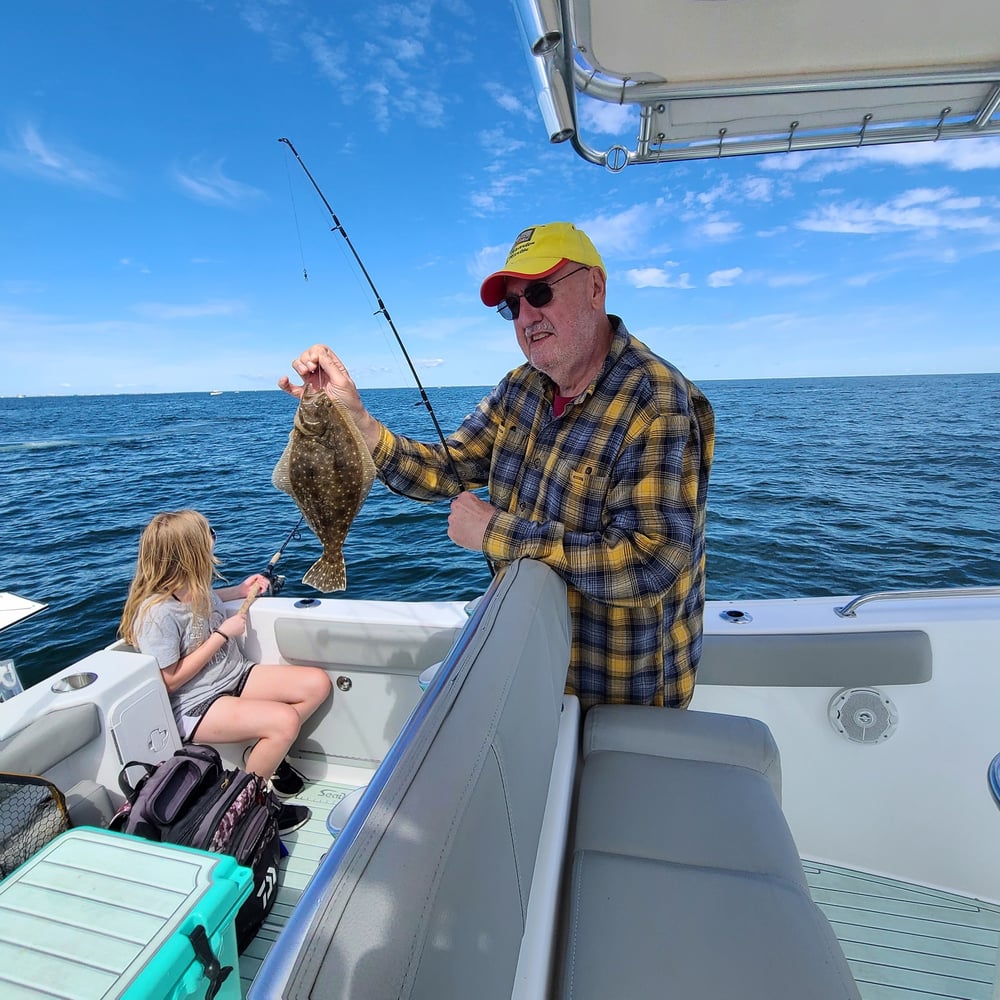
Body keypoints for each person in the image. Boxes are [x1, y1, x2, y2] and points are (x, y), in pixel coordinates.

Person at [280, 222, 715, 711]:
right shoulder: (520, 388)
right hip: (534, 661)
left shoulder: (655, 401)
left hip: (618, 693)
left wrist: (496, 532)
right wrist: (360, 423)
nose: (527, 316)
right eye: (514, 306)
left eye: (541, 292)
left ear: (596, 288)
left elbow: (650, 562)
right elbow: (449, 466)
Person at [119, 510, 332, 833]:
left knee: (316, 684)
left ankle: (262, 759)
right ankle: (250, 805)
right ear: (189, 551)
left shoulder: (195, 586)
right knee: (284, 722)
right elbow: (170, 681)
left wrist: (240, 589)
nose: (214, 539)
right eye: (209, 534)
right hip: (195, 704)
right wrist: (221, 636)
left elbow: (208, 600)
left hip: (233, 675)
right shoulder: (156, 614)